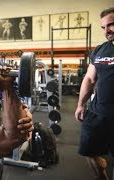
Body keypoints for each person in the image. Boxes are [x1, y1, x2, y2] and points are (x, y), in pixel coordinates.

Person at [74, 7, 114, 180]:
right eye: (104, 27)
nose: (107, 31)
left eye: (111, 25)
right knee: (87, 150)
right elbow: (89, 79)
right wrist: (81, 104)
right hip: (98, 112)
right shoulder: (99, 50)